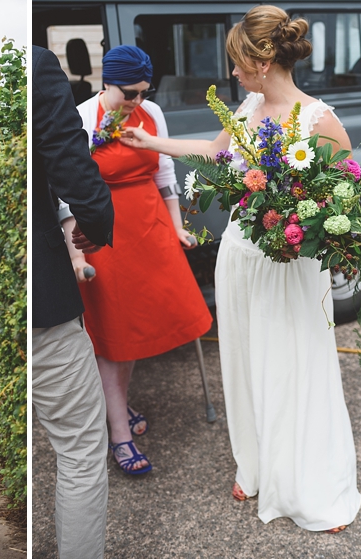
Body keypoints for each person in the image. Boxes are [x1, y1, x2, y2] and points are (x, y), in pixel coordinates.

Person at [121, 6, 361, 533]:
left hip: (289, 265)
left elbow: (347, 203)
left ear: (263, 59)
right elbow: (213, 152)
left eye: (237, 62)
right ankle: (254, 465)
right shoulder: (249, 104)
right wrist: (151, 143)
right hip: (240, 255)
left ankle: (311, 486)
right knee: (248, 363)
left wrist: (305, 221)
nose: (232, 73)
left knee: (294, 365)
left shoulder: (319, 119)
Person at [60, 44, 213, 476]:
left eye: (144, 92)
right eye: (130, 92)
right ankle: (119, 435)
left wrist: (178, 225)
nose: (138, 101)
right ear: (108, 80)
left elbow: (165, 175)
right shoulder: (82, 116)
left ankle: (118, 408)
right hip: (104, 234)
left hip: (150, 226)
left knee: (148, 322)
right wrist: (76, 252)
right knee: (114, 336)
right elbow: (66, 194)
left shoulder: (152, 114)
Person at [32, 46, 116, 559]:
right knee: (82, 450)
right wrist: (96, 223)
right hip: (43, 305)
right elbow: (70, 164)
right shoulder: (36, 65)